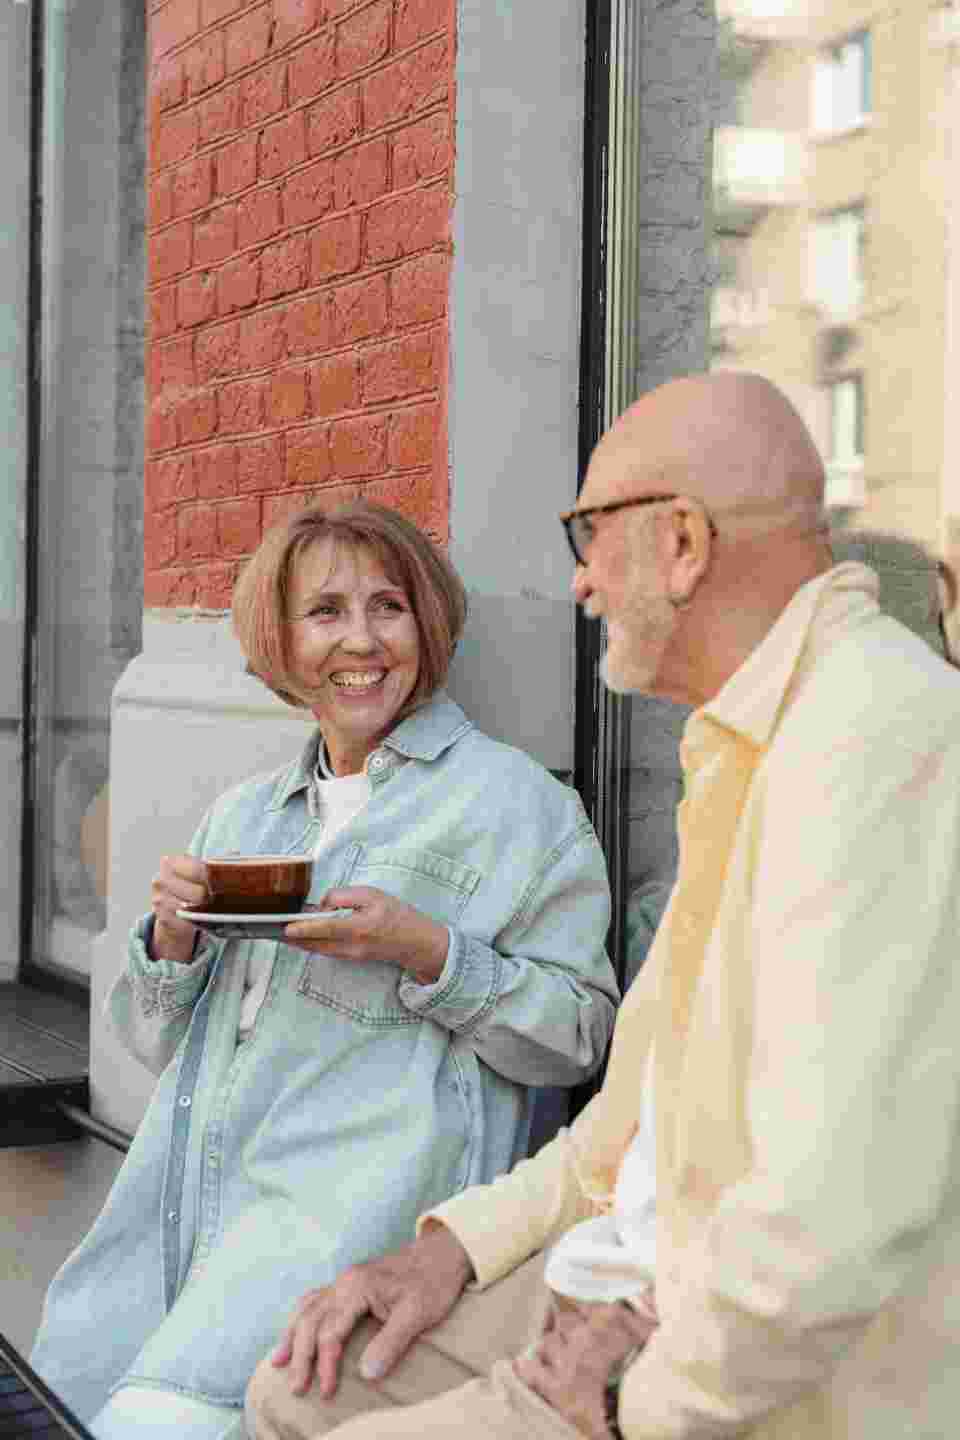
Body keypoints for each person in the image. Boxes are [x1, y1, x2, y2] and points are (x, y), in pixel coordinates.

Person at [246, 372, 960, 1440]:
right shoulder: (745, 742)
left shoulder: (880, 737)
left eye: (590, 533)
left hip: (728, 1350)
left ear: (680, 542)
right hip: (620, 1267)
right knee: (294, 1388)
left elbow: (831, 1224)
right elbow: (616, 1142)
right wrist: (443, 1251)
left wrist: (630, 1399)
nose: (579, 583)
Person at [30, 500, 619, 1440]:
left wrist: (430, 953)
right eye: (325, 613)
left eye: (387, 607)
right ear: (280, 639)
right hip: (172, 1238)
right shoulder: (247, 816)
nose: (362, 641)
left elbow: (579, 1040)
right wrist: (171, 943)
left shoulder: (521, 808)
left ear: (427, 624)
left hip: (339, 1255)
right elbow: (151, 1044)